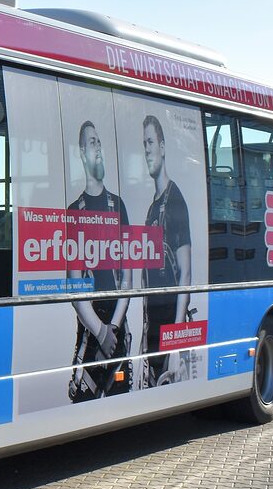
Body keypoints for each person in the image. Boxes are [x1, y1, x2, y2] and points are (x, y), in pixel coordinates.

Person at [67, 120, 131, 402]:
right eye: (92, 142)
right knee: (83, 398)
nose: (98, 148)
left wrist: (113, 329)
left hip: (117, 326)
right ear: (82, 152)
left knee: (122, 392)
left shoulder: (119, 206)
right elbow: (73, 285)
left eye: (99, 142)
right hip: (91, 328)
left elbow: (128, 276)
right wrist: (100, 331)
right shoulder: (74, 211)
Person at [141, 115, 192, 385]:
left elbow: (185, 275)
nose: (147, 149)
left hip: (168, 330)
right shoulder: (152, 208)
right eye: (144, 144)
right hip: (153, 330)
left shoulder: (175, 199)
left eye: (151, 142)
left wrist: (176, 344)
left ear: (162, 147)